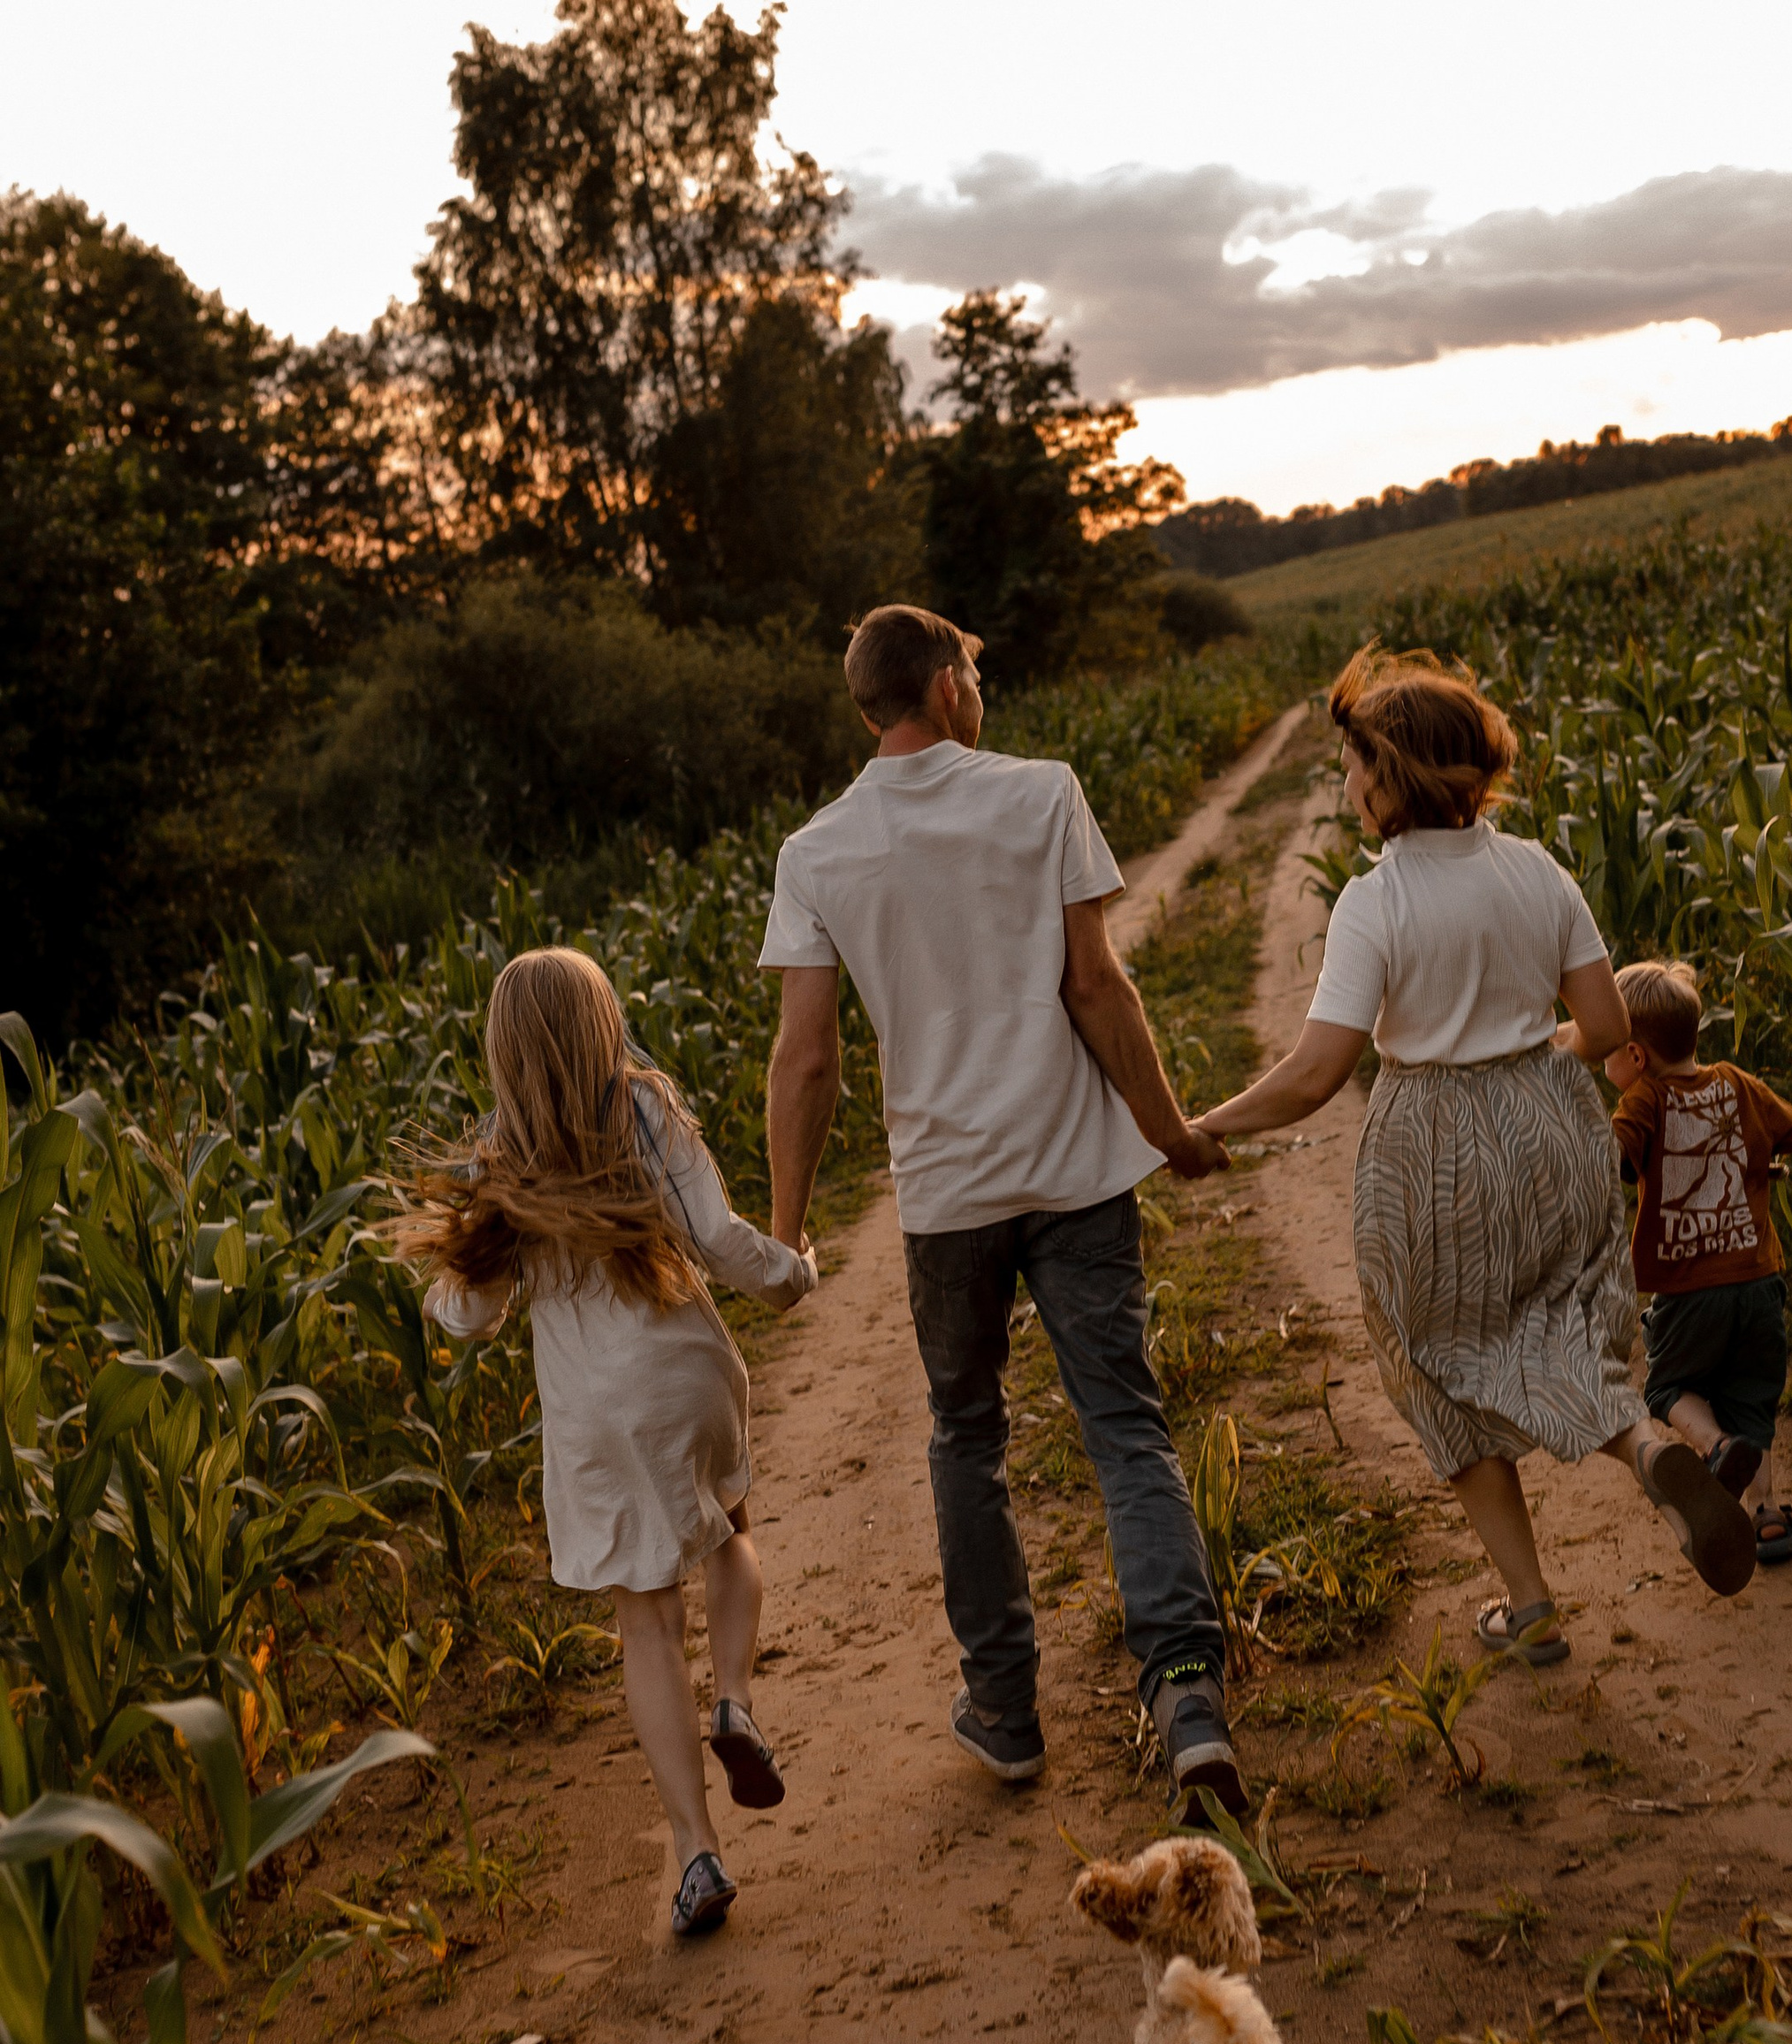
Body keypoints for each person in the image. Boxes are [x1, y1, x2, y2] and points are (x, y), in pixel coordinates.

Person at [758, 603, 1248, 1811]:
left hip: (947, 1198)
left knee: (965, 1440)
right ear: (941, 685)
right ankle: (1186, 1694)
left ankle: (1007, 1710)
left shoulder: (817, 852)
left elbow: (805, 1058)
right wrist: (1167, 1127)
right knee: (1124, 1426)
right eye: (974, 667)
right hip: (1077, 1176)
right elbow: (1096, 982)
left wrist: (787, 1224)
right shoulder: (1041, 794)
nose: (982, 686)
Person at [1193, 647, 1756, 1667]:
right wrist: (1528, 1060)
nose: (1347, 786)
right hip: (1551, 1121)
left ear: (1392, 774)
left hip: (1431, 1141)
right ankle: (1646, 1444)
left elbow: (1319, 1070)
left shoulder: (1374, 901)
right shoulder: (1535, 867)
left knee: (1434, 1360)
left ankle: (1531, 1603)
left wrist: (1209, 1124)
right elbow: (1599, 1019)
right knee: (1562, 1319)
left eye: (1356, 765)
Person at [396, 946, 817, 1942]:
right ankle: (741, 1700)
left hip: (594, 1417)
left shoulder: (501, 1161)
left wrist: (441, 1281)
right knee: (730, 1534)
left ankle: (696, 1852)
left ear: (502, 1050)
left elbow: (468, 1317)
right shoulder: (645, 1109)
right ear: (604, 1022)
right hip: (689, 1377)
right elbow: (717, 1237)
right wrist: (793, 1273)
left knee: (645, 1623)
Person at [1605, 958, 1792, 1564]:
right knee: (1752, 1394)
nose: (1606, 1064)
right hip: (1757, 1280)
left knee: (1670, 1384)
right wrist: (1754, 1155)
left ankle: (1714, 1445)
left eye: (1610, 1053)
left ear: (1637, 1057)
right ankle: (1767, 1516)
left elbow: (1613, 1163)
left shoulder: (1642, 1100)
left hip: (1688, 1288)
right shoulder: (1737, 1082)